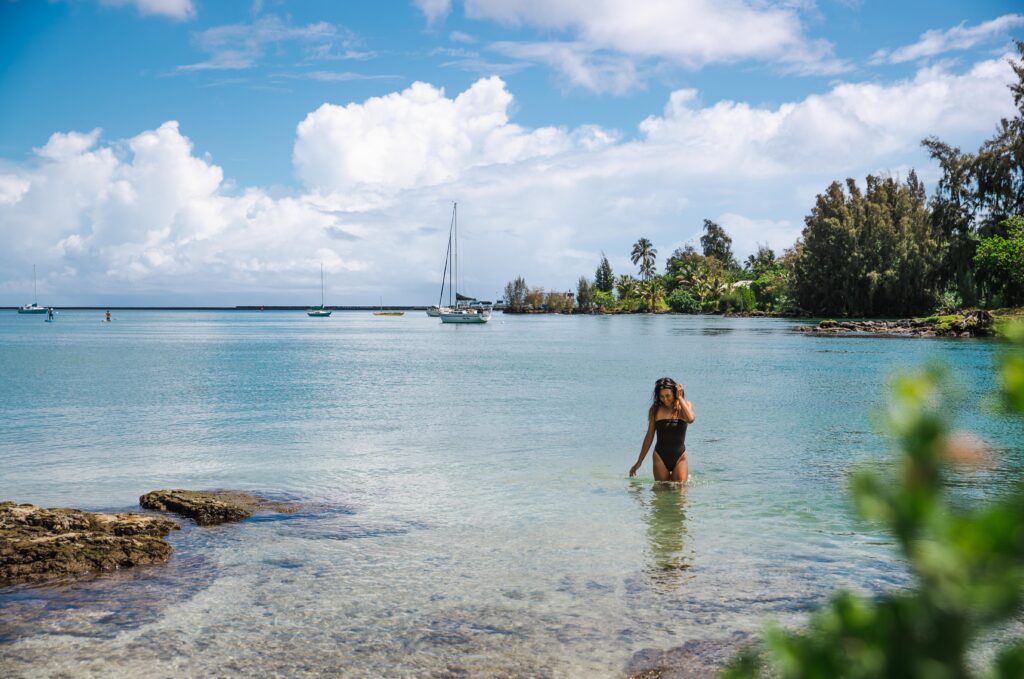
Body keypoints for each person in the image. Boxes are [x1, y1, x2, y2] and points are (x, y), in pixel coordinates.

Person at [629, 377, 696, 483]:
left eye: (668, 395)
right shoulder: (655, 410)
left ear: (674, 393)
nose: (665, 399)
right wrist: (639, 461)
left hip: (680, 457)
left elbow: (690, 419)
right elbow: (649, 436)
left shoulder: (686, 405)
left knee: (681, 489)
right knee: (661, 491)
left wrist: (680, 398)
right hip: (660, 457)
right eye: (662, 396)